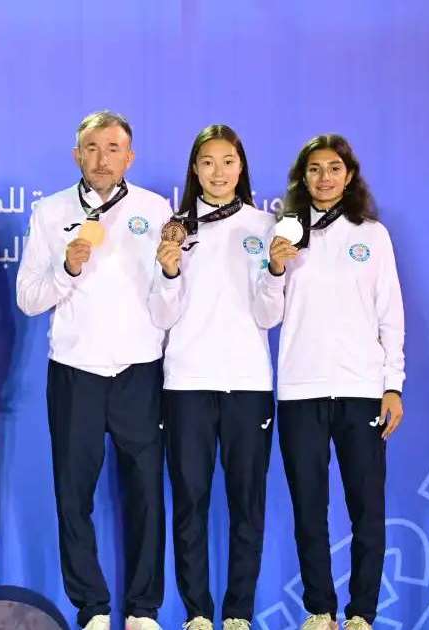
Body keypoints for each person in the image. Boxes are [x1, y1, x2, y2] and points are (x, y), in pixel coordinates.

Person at [16, 110, 171, 630]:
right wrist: (68, 267)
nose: (102, 159)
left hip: (139, 370)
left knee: (147, 493)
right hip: (75, 370)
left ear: (130, 156)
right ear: (76, 154)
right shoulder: (49, 212)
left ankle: (145, 610)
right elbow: (29, 300)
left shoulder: (156, 209)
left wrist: (171, 273)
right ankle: (93, 607)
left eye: (113, 148)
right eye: (92, 148)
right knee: (72, 494)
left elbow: (168, 301)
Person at [257, 134, 405, 630]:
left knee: (367, 508)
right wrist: (275, 266)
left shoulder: (373, 234)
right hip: (300, 390)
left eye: (334, 168)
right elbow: (269, 313)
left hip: (362, 388)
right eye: (315, 169)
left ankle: (362, 613)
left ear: (349, 175)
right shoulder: (284, 232)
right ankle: (320, 611)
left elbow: (391, 315)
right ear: (303, 177)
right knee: (308, 509)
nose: (324, 178)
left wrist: (393, 384)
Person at [149, 125, 276, 630]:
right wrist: (169, 271)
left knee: (247, 506)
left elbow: (271, 314)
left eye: (227, 161)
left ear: (241, 167)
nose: (218, 172)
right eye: (207, 162)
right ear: (194, 169)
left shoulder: (267, 226)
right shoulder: (174, 228)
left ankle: (238, 615)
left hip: (247, 384)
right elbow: (161, 315)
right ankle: (198, 614)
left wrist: (276, 273)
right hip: (187, 384)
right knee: (190, 504)